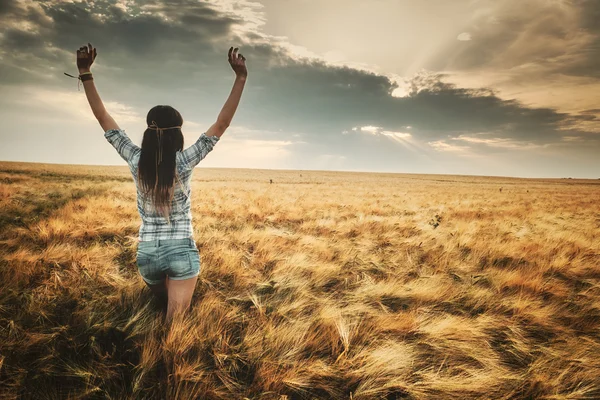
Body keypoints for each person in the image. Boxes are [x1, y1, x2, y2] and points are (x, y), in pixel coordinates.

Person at [74, 42, 247, 323]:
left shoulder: (135, 158)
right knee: (175, 328)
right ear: (177, 134)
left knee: (163, 306)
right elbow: (221, 125)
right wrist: (240, 78)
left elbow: (102, 117)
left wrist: (85, 73)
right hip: (180, 250)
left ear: (148, 131)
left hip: (147, 255)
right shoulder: (183, 161)